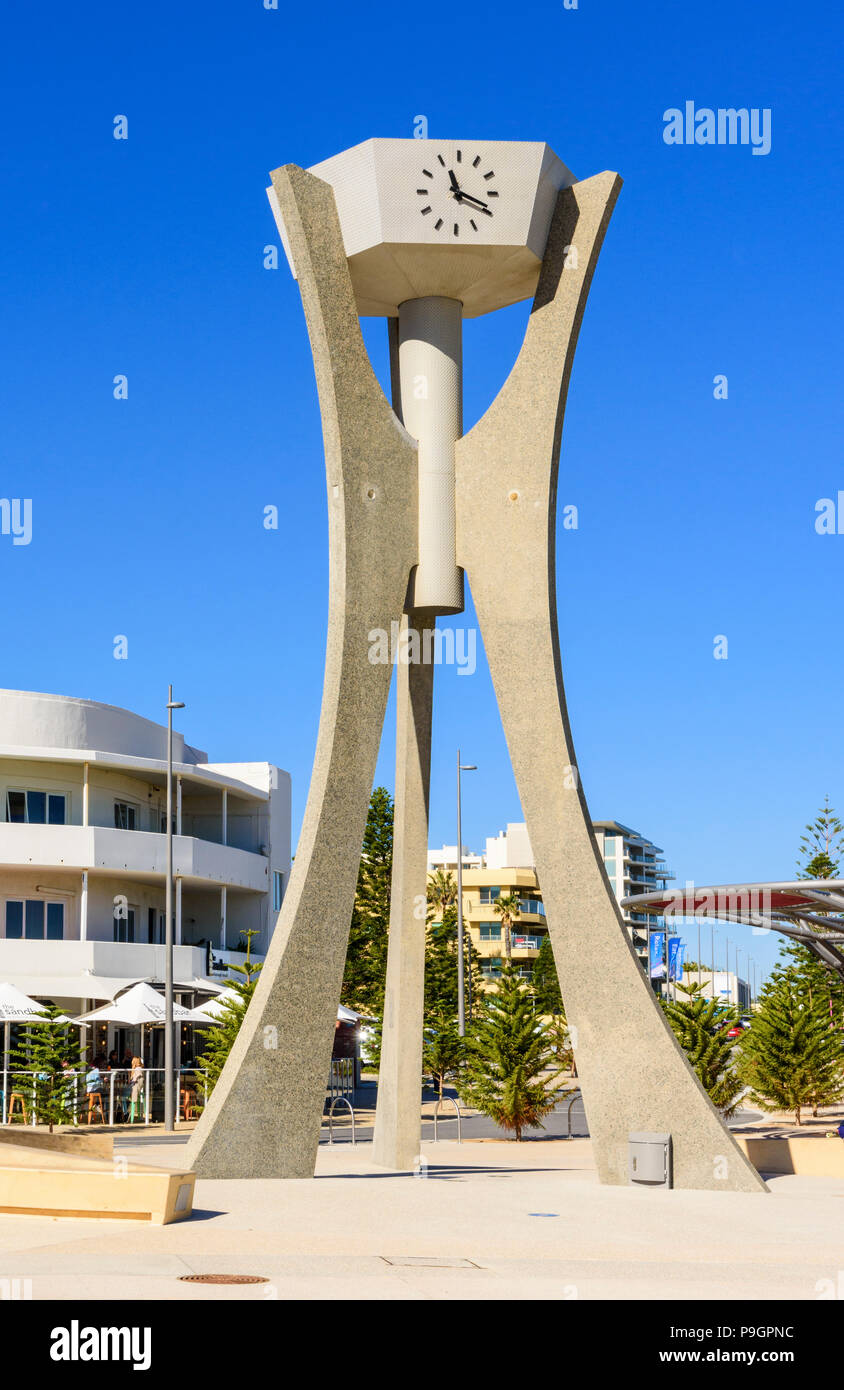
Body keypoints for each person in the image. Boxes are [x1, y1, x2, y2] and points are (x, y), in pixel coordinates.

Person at [85, 1056, 105, 1124]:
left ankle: (95, 1105)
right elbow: (97, 1081)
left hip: (88, 1089)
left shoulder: (89, 1068)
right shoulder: (96, 1070)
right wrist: (103, 1079)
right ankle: (97, 1106)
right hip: (93, 1089)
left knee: (102, 1091)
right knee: (105, 1093)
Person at [129, 1056, 145, 1124]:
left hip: (136, 1088)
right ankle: (127, 1114)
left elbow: (133, 1080)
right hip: (137, 1088)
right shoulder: (138, 1068)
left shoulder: (137, 1069)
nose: (131, 1061)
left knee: (122, 1095)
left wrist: (131, 1081)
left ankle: (127, 1114)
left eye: (132, 1060)